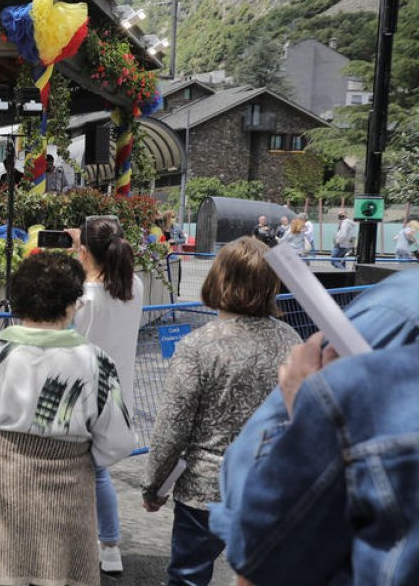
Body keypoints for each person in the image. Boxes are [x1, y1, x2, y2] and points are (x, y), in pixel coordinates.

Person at [0, 252, 136, 586]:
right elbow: (117, 442)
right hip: (65, 495)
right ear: (72, 304)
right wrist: (81, 456)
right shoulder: (95, 361)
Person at [210, 267, 419, 584]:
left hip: (253, 509)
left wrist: (313, 411)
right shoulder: (286, 334)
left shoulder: (396, 309)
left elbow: (265, 557)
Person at [141, 237, 300, 586]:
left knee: (188, 576)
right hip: (271, 483)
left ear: (218, 279)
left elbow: (173, 425)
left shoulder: (198, 346)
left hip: (206, 489)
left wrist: (153, 485)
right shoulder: (292, 340)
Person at [70, 216, 144, 576]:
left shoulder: (82, 299)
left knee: (78, 475)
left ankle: (84, 544)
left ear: (84, 252)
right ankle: (110, 545)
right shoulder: (136, 288)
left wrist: (77, 258)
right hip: (117, 399)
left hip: (81, 399)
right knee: (97, 474)